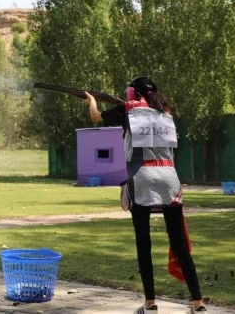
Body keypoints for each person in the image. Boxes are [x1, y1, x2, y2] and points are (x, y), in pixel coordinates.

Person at [84, 77, 206, 314]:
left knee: (144, 243)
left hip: (142, 177)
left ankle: (150, 304)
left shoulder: (128, 109)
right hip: (170, 177)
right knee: (179, 245)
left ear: (131, 92)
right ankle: (198, 303)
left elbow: (95, 117)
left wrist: (91, 101)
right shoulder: (165, 111)